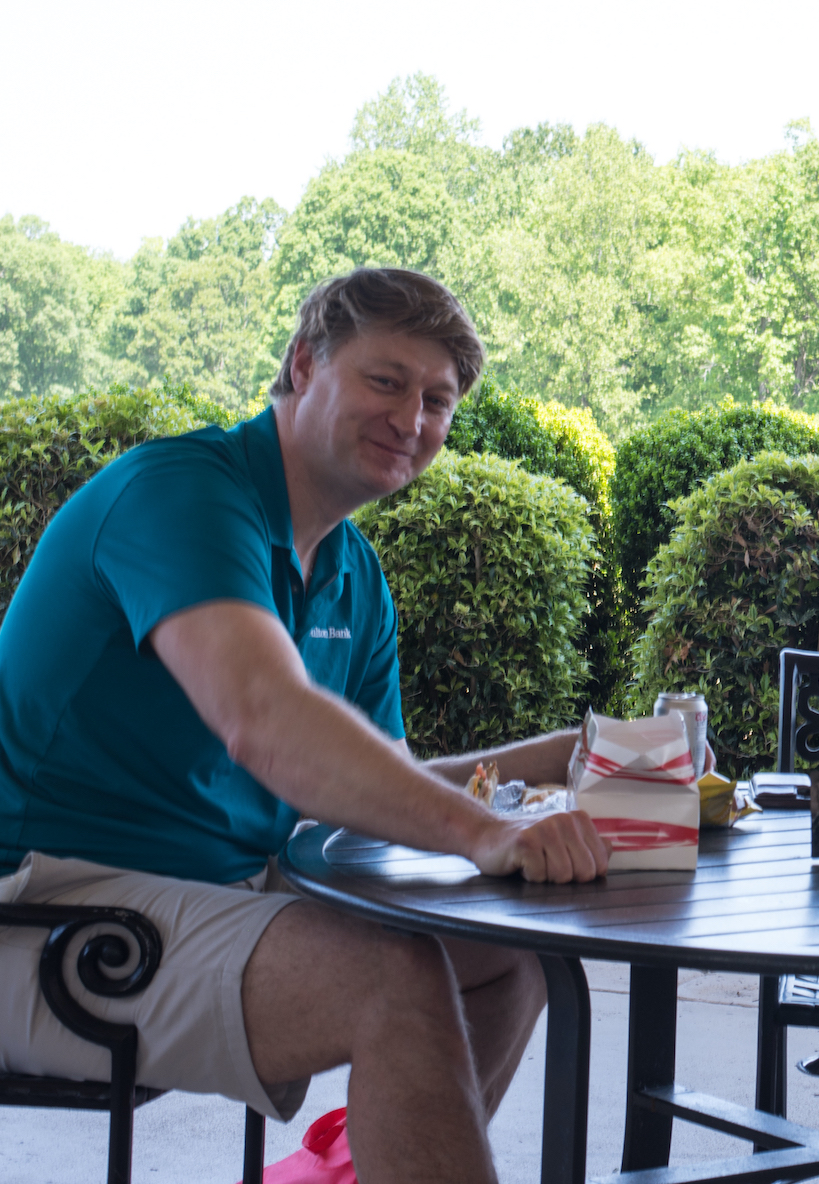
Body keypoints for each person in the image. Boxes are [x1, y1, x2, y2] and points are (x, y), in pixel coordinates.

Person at [0, 268, 609, 1184]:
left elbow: (375, 784)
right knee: (391, 982)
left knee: (509, 958)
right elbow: (267, 721)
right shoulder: (183, 494)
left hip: (214, 891)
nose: (411, 419)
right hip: (47, 907)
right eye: (386, 380)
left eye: (437, 400)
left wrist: (563, 755)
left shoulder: (353, 573)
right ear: (303, 364)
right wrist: (488, 832)